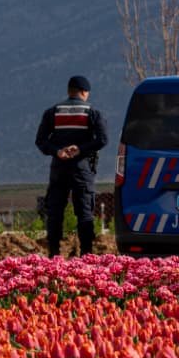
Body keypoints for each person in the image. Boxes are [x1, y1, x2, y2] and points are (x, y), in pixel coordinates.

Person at [35, 74, 109, 257]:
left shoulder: (52, 112)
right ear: (84, 92)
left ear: (69, 91)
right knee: (84, 212)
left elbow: (41, 141)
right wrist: (80, 149)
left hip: (59, 168)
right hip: (82, 169)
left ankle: (54, 254)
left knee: (55, 212)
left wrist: (57, 151)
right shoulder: (92, 112)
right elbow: (103, 139)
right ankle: (86, 255)